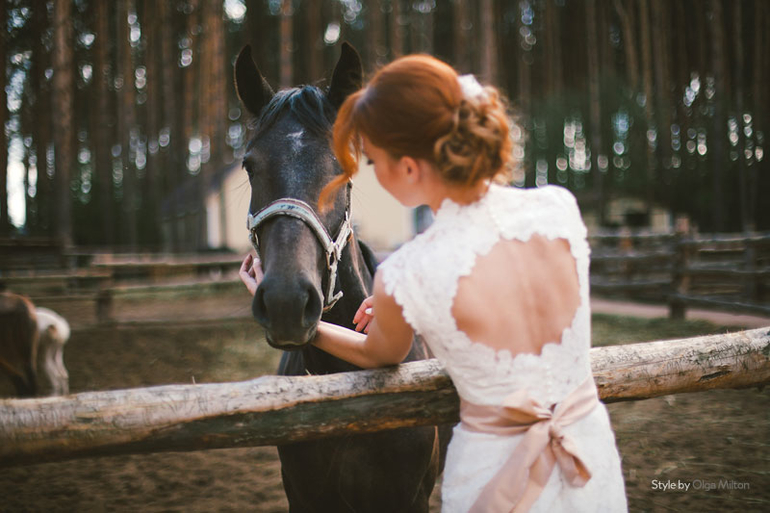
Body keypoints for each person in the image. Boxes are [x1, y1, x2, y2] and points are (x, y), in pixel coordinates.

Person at [240, 54, 627, 512]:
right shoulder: (559, 208)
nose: (371, 172)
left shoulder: (410, 273)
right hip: (587, 453)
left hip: (492, 476)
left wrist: (308, 324)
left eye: (372, 160)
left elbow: (378, 354)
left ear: (407, 166)